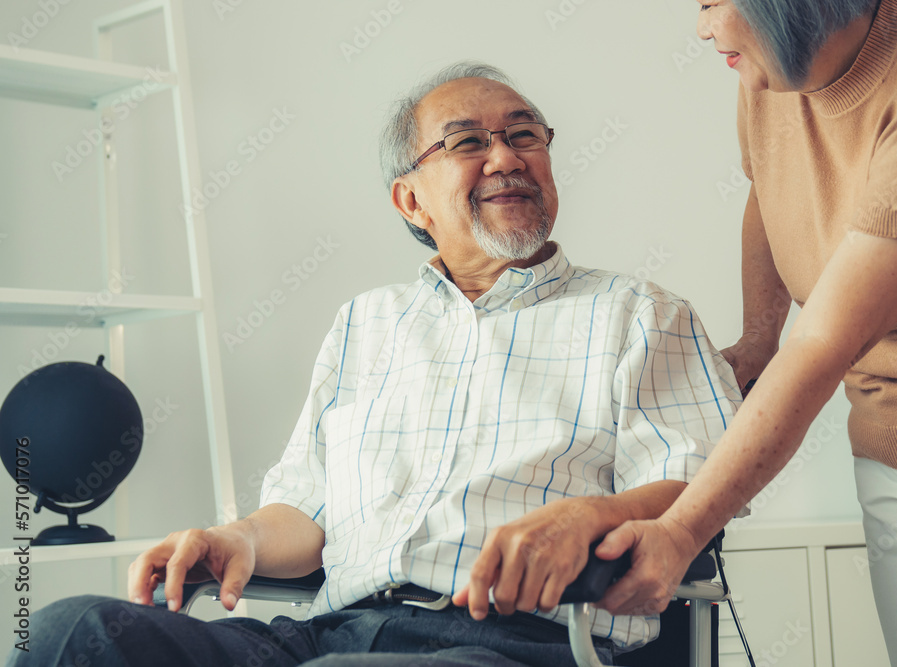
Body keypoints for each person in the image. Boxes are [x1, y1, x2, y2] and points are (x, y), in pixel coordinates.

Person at [10, 62, 740, 667]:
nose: (507, 157)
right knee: (70, 637)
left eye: (524, 136)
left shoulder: (639, 312)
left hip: (520, 643)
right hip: (328, 632)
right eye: (467, 142)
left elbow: (702, 487)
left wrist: (590, 516)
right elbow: (306, 511)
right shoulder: (366, 321)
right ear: (411, 199)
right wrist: (235, 538)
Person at [591, 2, 897, 666]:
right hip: (887, 444)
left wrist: (682, 530)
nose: (702, 29)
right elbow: (769, 192)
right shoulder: (776, 69)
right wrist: (759, 338)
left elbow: (823, 345)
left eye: (712, 4)